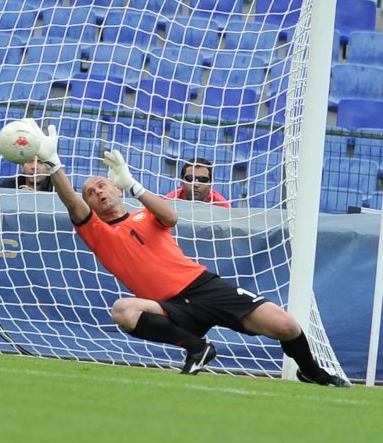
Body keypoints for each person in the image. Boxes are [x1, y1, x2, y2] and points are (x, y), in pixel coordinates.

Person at [24, 120, 349, 387]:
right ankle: (197, 348)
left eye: (101, 186)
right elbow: (71, 201)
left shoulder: (145, 212)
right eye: (91, 193)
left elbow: (171, 218)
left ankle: (313, 373)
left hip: (202, 286)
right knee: (123, 310)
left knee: (287, 327)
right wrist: (54, 165)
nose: (97, 192)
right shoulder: (95, 230)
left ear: (115, 188)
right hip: (169, 307)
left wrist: (134, 184)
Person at [164, 157, 231, 207]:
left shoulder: (222, 206)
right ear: (181, 182)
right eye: (190, 178)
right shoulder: (169, 202)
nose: (196, 184)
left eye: (203, 179)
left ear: (211, 184)